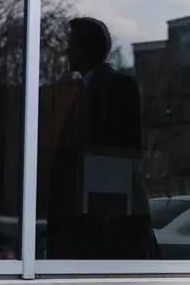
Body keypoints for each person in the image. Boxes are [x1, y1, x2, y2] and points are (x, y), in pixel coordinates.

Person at [47, 17, 159, 259]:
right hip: (83, 214)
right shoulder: (77, 92)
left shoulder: (118, 87)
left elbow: (123, 152)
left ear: (87, 48)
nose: (67, 50)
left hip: (104, 219)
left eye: (72, 44)